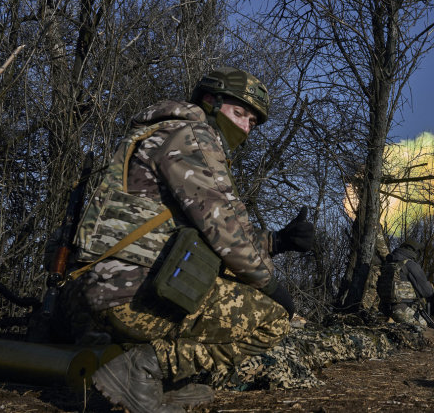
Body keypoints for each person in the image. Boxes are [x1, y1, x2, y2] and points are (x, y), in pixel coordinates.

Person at [63, 67, 314, 413]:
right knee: (272, 318)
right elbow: (225, 233)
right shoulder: (193, 136)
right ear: (210, 101)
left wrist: (277, 241)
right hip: (132, 297)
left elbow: (192, 226)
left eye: (252, 122)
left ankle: (161, 381)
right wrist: (274, 289)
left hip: (89, 294)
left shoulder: (154, 134)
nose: (244, 127)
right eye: (239, 113)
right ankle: (147, 369)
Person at [377, 240, 434, 328]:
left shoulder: (387, 264)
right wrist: (431, 287)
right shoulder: (411, 264)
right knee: (423, 327)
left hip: (383, 308)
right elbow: (426, 292)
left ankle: (391, 321)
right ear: (415, 251)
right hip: (401, 309)